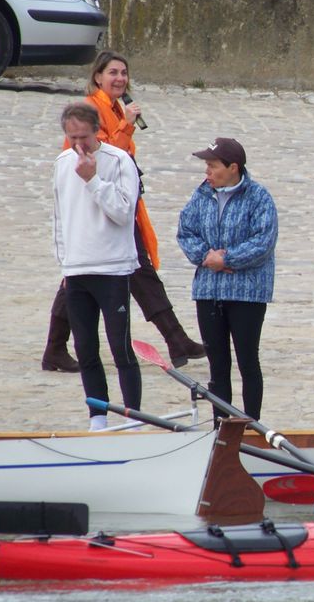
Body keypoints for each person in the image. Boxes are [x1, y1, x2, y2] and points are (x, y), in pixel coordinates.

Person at [41, 50, 205, 373]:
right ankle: (57, 348)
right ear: (97, 77)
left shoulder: (116, 107)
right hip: (93, 199)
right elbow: (99, 153)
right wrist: (126, 127)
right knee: (82, 276)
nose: (119, 79)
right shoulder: (91, 109)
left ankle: (175, 339)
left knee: (134, 270)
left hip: (115, 199)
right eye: (112, 72)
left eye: (124, 73)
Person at [52, 102, 142, 431]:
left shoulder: (119, 161)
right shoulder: (62, 163)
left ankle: (133, 415)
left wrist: (92, 180)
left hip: (113, 268)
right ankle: (98, 416)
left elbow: (123, 211)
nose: (78, 145)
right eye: (71, 137)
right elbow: (60, 218)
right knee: (85, 347)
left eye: (84, 137)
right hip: (77, 270)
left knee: (120, 346)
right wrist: (65, 265)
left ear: (96, 131)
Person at [177, 138, 277, 422]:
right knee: (217, 365)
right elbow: (186, 231)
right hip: (209, 291)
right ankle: (221, 426)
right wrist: (208, 257)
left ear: (233, 168)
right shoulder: (201, 195)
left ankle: (251, 424)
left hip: (247, 294)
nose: (207, 171)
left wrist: (228, 258)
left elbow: (264, 241)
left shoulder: (259, 197)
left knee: (247, 360)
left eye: (212, 165)